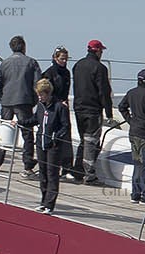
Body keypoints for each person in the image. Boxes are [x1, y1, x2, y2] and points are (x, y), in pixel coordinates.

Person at [72, 38, 113, 185]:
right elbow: (104, 93)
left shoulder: (78, 65)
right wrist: (109, 113)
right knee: (91, 141)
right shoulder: (100, 69)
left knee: (84, 140)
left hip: (78, 108)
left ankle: (77, 170)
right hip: (92, 110)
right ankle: (89, 174)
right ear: (98, 51)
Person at [0, 35, 40, 173]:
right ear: (24, 46)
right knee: (27, 134)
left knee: (3, 132)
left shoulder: (4, 63)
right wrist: (34, 101)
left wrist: (2, 99)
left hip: (7, 102)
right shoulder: (31, 62)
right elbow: (37, 84)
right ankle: (27, 165)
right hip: (24, 101)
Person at [118, 68, 145, 205]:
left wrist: (131, 120)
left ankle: (135, 194)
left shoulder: (131, 93)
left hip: (134, 133)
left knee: (137, 164)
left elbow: (121, 107)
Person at [33, 77, 70, 214]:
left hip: (53, 146)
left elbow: (65, 126)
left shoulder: (59, 107)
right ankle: (43, 201)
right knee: (42, 173)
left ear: (48, 93)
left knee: (52, 174)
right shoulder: (40, 106)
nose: (39, 97)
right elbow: (35, 119)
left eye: (41, 94)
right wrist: (20, 121)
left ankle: (50, 204)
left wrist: (56, 138)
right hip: (41, 144)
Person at [42, 46, 76, 177]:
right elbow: (45, 92)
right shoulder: (49, 73)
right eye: (62, 59)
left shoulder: (66, 73)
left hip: (63, 107)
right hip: (52, 108)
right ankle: (49, 165)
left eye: (66, 59)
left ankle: (67, 168)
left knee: (66, 135)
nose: (64, 61)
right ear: (55, 58)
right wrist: (56, 101)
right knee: (51, 135)